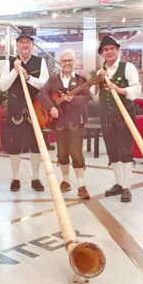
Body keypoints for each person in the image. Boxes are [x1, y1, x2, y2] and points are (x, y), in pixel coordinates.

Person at [92, 35, 141, 203]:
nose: (109, 52)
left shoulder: (128, 67)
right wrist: (98, 80)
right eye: (106, 50)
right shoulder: (100, 71)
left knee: (125, 151)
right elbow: (94, 94)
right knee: (112, 151)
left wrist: (119, 89)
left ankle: (127, 187)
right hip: (107, 117)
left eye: (112, 49)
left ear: (118, 50)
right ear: (101, 53)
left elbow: (137, 90)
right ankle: (119, 183)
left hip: (125, 115)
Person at [37, 49, 92, 199]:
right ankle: (65, 181)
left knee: (76, 152)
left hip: (76, 120)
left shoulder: (81, 80)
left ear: (74, 62)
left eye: (70, 60)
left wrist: (73, 99)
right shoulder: (53, 79)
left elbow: (87, 97)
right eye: (64, 60)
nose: (67, 63)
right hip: (59, 121)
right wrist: (51, 107)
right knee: (62, 152)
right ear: (60, 62)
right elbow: (42, 94)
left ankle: (81, 185)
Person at [0, 32, 49, 192]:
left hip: (35, 108)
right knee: (14, 144)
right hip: (15, 108)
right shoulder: (9, 63)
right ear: (17, 45)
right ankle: (15, 178)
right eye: (22, 42)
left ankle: (35, 177)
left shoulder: (40, 62)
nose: (25, 45)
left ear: (32, 45)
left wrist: (28, 78)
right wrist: (15, 70)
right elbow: (2, 86)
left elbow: (44, 84)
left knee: (36, 144)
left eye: (28, 42)